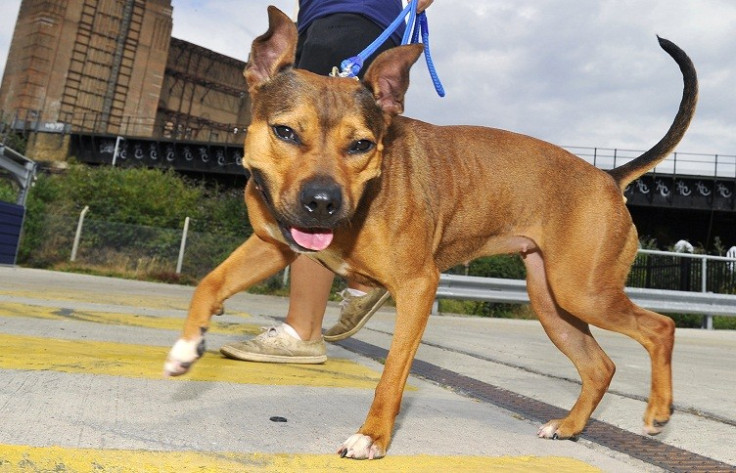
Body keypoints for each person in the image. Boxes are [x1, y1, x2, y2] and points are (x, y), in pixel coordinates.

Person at [220, 0, 433, 364]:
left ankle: (303, 329)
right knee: (344, 161)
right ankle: (362, 278)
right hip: (339, 23)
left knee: (311, 187)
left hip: (346, 22)